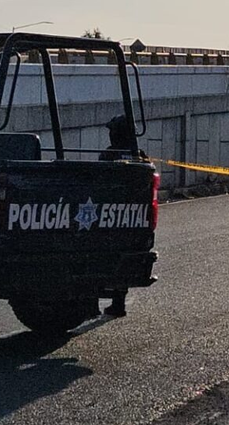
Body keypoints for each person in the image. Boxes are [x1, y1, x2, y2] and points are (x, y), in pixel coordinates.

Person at [100, 114, 132, 316]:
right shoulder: (137, 154)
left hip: (109, 216)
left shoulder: (109, 155)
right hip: (131, 218)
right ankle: (118, 303)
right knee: (123, 260)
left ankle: (91, 305)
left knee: (100, 257)